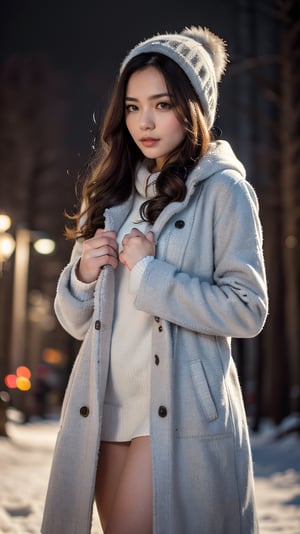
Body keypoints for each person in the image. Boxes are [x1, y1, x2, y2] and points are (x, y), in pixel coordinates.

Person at [41, 26, 268, 534]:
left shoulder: (224, 192)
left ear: (193, 109)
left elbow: (247, 308)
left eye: (162, 105)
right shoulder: (114, 194)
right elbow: (78, 324)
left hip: (175, 411)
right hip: (103, 406)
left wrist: (149, 273)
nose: (144, 121)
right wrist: (82, 273)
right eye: (132, 106)